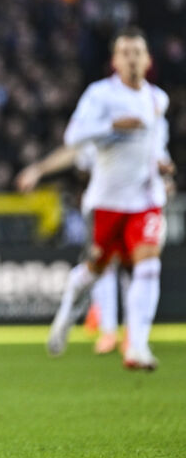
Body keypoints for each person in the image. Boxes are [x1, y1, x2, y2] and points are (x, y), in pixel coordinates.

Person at [46, 27, 174, 370]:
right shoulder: (100, 95)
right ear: (115, 60)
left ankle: (137, 347)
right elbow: (74, 136)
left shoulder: (157, 99)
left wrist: (163, 164)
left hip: (146, 198)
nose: (132, 59)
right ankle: (67, 311)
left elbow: (157, 143)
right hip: (107, 200)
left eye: (138, 52)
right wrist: (115, 125)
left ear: (147, 60)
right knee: (97, 268)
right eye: (125, 52)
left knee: (148, 266)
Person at [16, 143, 124, 354]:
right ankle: (108, 329)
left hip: (139, 203)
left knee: (140, 264)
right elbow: (74, 151)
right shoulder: (101, 121)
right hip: (104, 204)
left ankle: (132, 335)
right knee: (104, 265)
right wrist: (37, 170)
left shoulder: (145, 122)